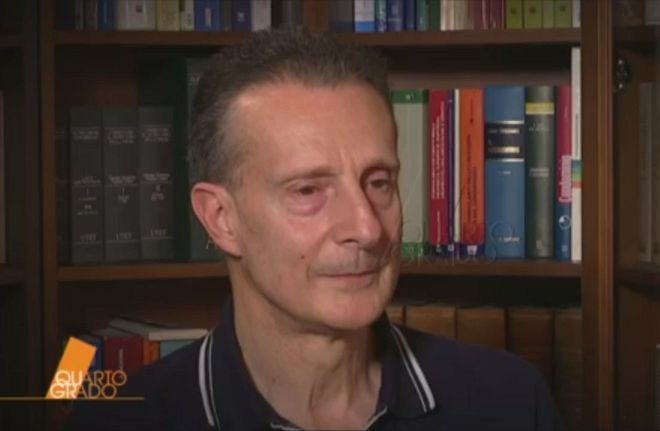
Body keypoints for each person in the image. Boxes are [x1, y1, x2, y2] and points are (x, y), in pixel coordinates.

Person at [66, 30, 560, 431]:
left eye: (379, 182)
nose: (367, 228)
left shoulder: (511, 403)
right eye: (307, 191)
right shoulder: (118, 422)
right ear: (221, 219)